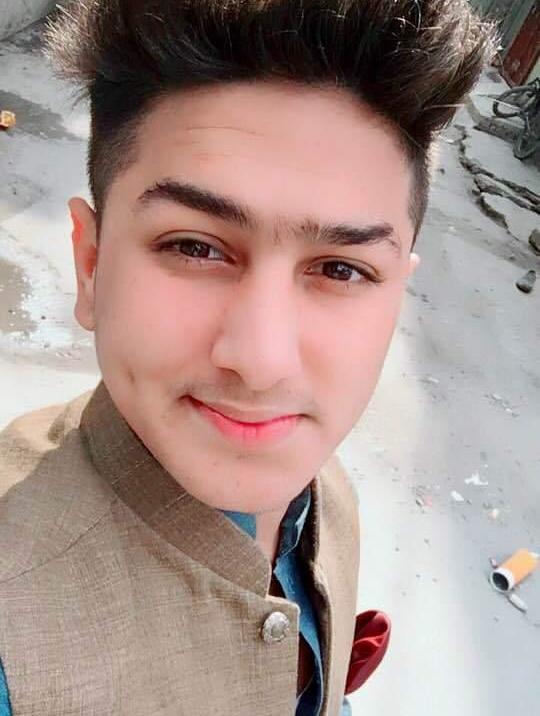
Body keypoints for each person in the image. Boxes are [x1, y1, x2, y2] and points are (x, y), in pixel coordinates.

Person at [0, 1, 494, 714]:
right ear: (90, 265)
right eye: (195, 247)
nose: (262, 362)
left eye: (342, 269)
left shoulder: (327, 495)